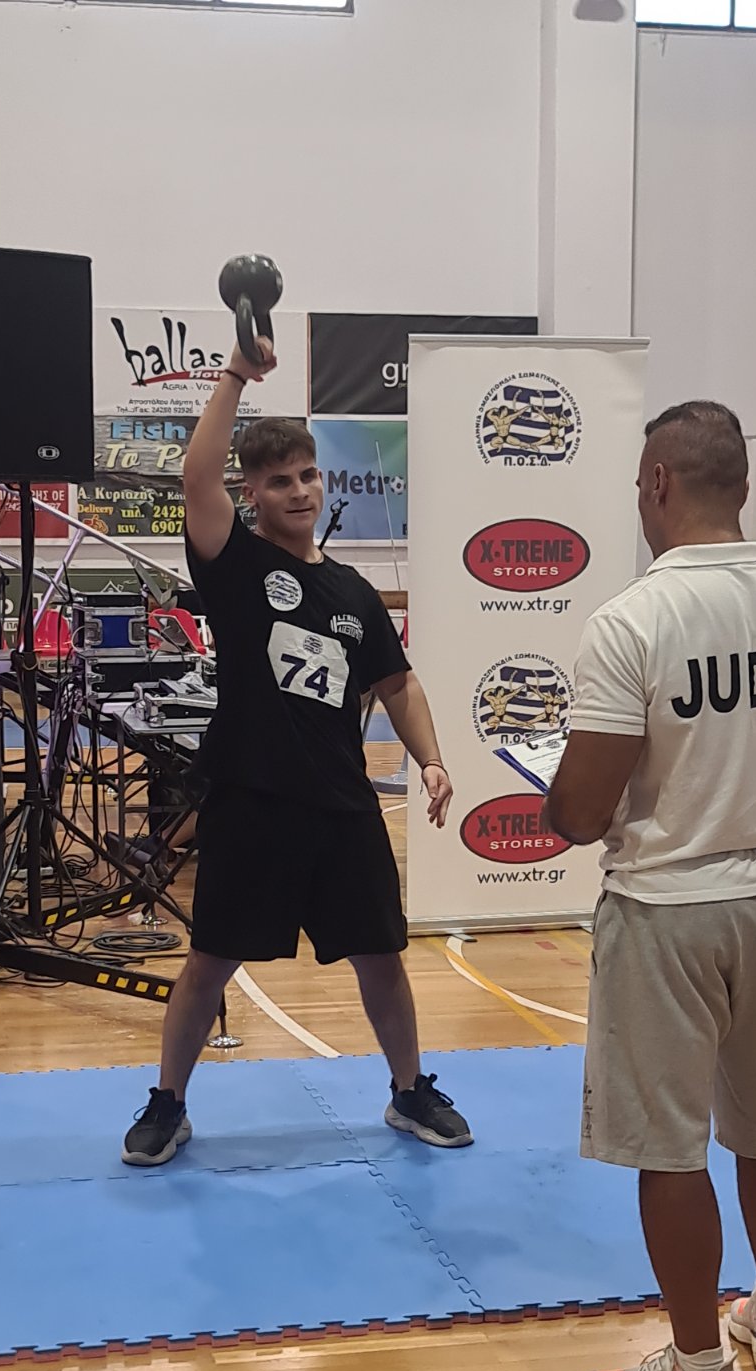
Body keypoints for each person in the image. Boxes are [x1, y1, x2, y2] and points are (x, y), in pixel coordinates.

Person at [542, 401, 756, 1371]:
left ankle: (698, 1370)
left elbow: (581, 811)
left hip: (665, 907)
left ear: (659, 482)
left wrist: (553, 792)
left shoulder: (633, 621)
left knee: (669, 1146)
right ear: (744, 487)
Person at [122, 334, 472, 1165]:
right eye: (279, 480)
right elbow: (194, 479)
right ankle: (168, 1104)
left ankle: (408, 1090)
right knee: (209, 962)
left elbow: (399, 685)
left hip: (342, 807)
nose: (300, 491)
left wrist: (430, 758)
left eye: (308, 475)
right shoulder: (233, 563)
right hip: (251, 800)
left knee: (382, 957)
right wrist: (236, 374)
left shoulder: (352, 593)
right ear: (252, 492)